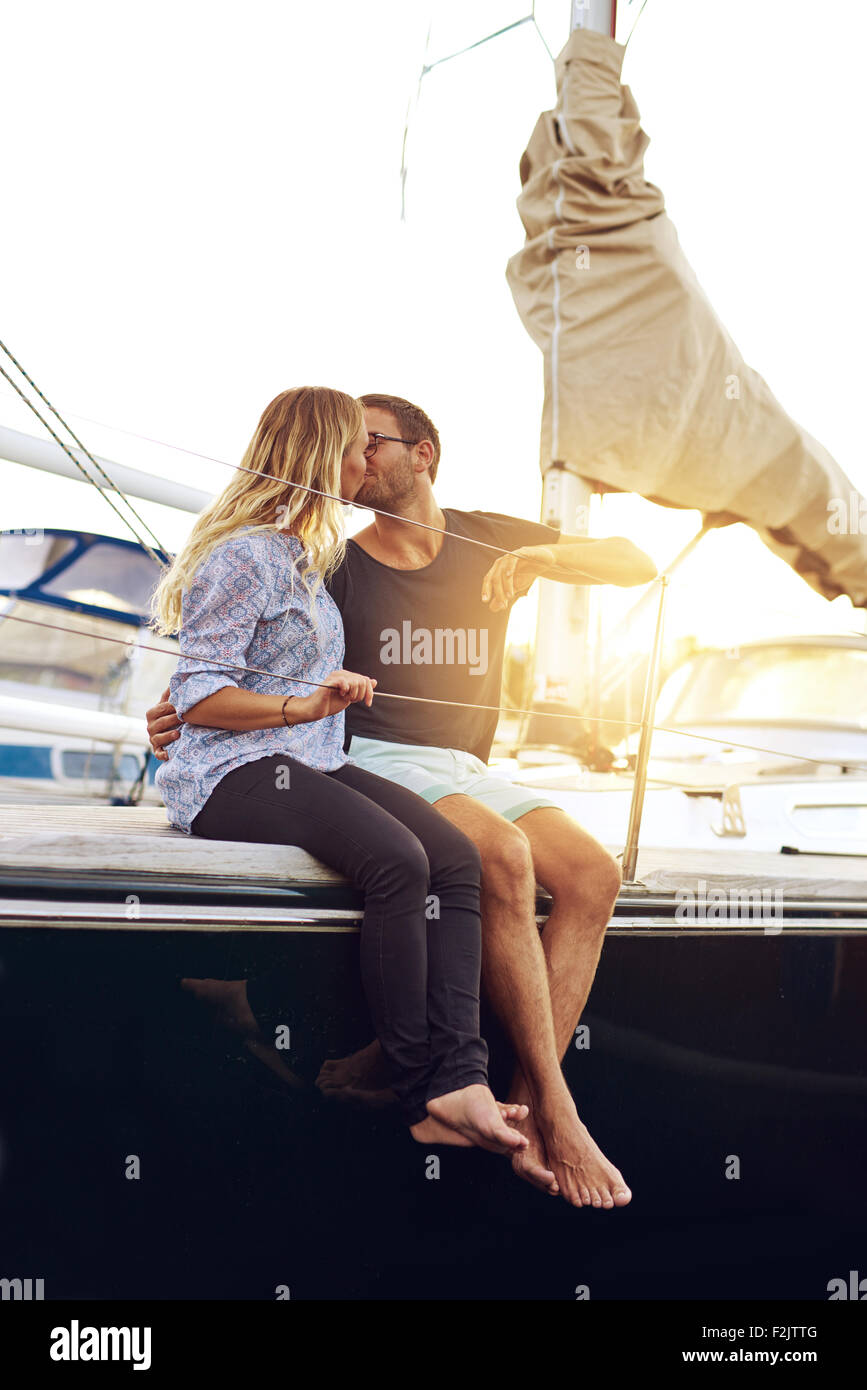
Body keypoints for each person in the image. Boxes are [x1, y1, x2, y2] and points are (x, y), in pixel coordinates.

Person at [149, 393, 655, 1209]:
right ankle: (548, 1119)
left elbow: (634, 560)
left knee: (593, 874)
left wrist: (544, 563)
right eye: (352, 446)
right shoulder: (330, 560)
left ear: (422, 455)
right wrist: (182, 713)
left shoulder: (486, 536)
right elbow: (235, 666)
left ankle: (518, 1096)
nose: (363, 460)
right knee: (492, 856)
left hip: (463, 764)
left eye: (374, 443)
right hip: (371, 752)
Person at [148, 384, 529, 1159]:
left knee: (452, 858)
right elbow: (200, 696)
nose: (370, 461)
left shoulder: (303, 556)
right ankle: (425, 1086)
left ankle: (463, 1077)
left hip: (307, 757)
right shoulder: (248, 553)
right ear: (324, 456)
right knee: (396, 861)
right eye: (360, 447)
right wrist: (303, 706)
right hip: (233, 774)